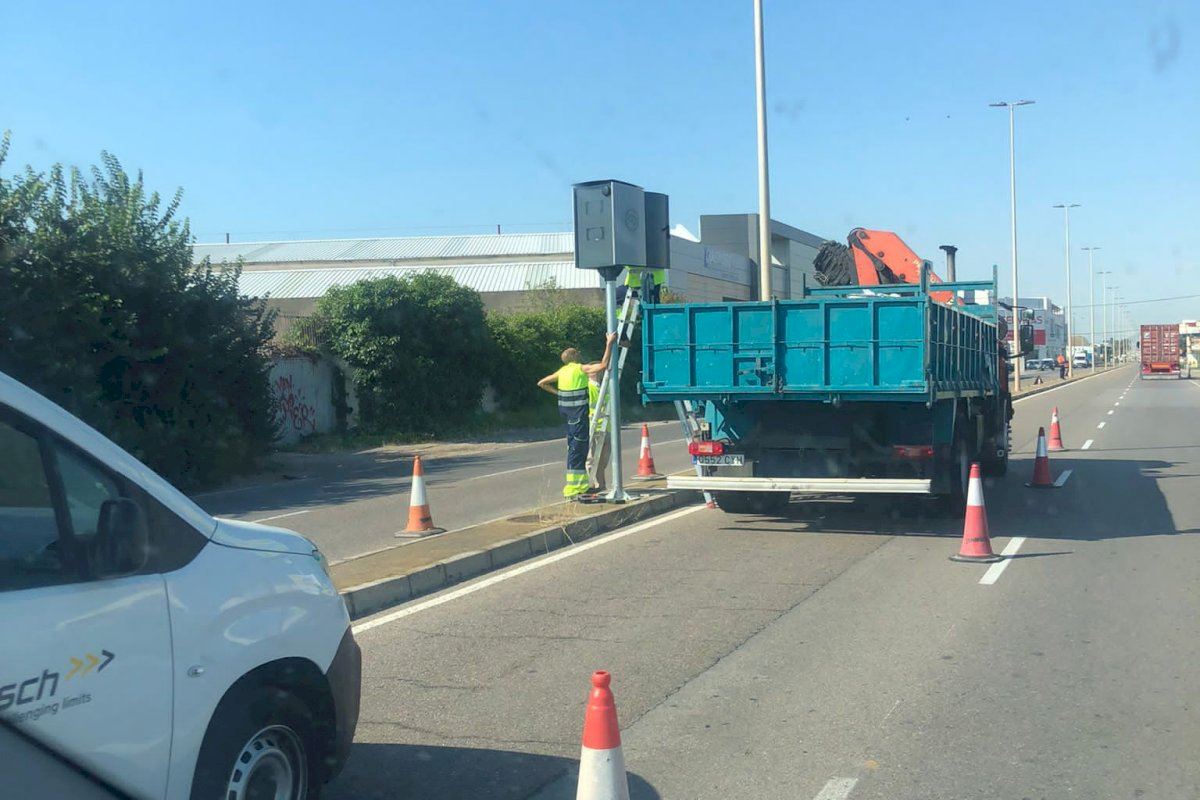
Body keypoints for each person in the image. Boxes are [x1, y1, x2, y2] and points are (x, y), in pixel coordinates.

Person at [537, 332, 617, 499]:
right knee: (579, 452)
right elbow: (603, 365)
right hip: (580, 418)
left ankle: (579, 485)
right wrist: (609, 343)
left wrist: (558, 393)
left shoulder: (562, 372)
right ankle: (575, 488)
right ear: (574, 357)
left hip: (568, 418)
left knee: (575, 450)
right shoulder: (580, 369)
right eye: (577, 353)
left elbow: (542, 383)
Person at [585, 372, 611, 493]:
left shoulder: (604, 386)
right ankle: (595, 484)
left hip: (606, 427)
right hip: (593, 426)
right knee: (593, 458)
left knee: (604, 458)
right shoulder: (588, 386)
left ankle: (600, 484)